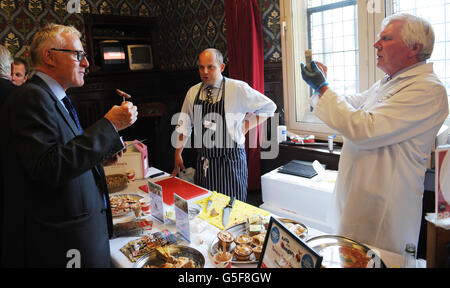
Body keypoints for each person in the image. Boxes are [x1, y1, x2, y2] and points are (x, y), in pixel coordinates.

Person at [300, 13, 449, 255]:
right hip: (359, 199)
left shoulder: (428, 90)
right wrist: (321, 87)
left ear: (414, 48)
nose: (375, 44)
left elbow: (365, 128)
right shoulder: (387, 83)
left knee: (377, 258)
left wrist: (323, 88)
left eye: (386, 38)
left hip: (384, 211)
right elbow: (350, 105)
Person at [0, 24, 138, 267]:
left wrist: (99, 157)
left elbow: (62, 154)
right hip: (62, 241)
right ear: (49, 56)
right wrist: (109, 125)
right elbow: (47, 169)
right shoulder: (30, 97)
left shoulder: (54, 97)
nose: (85, 63)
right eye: (78, 55)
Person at [172, 48, 276, 202]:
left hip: (231, 163)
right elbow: (184, 125)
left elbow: (269, 107)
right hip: (204, 164)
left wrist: (246, 125)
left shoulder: (237, 89)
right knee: (206, 210)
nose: (205, 72)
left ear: (221, 67)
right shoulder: (193, 92)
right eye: (201, 67)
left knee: (233, 210)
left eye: (210, 67)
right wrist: (178, 153)